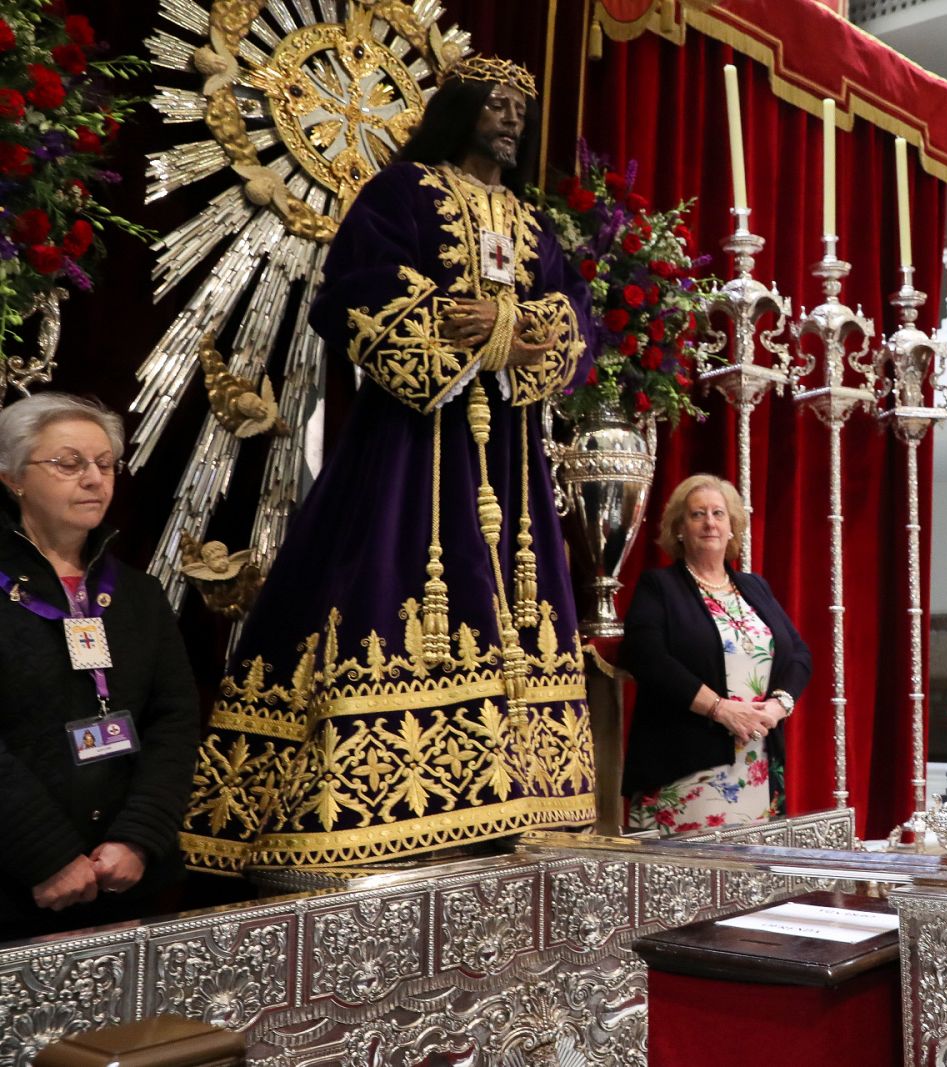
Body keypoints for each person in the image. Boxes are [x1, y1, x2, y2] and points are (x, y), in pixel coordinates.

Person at [180, 56, 597, 876]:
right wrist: (455, 326)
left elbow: (572, 316)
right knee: (378, 577)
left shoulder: (529, 219)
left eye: (521, 107)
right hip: (414, 443)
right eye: (496, 105)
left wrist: (515, 327)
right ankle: (357, 805)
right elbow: (350, 293)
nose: (511, 119)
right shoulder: (402, 192)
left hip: (508, 458)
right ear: (460, 109)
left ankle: (514, 790)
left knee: (518, 599)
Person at [0, 393, 199, 941]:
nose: (94, 479)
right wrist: (48, 856)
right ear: (13, 477)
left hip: (127, 881)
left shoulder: (138, 594)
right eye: (68, 463)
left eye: (105, 464)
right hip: (15, 886)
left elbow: (174, 723)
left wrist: (137, 838)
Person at [620, 475, 811, 832]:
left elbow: (799, 653)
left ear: (732, 526)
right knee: (688, 880)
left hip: (757, 763)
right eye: (697, 514)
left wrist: (777, 706)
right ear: (679, 529)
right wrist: (720, 709)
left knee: (750, 877)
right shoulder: (659, 587)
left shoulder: (755, 587)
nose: (710, 522)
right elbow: (646, 657)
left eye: (718, 513)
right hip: (685, 766)